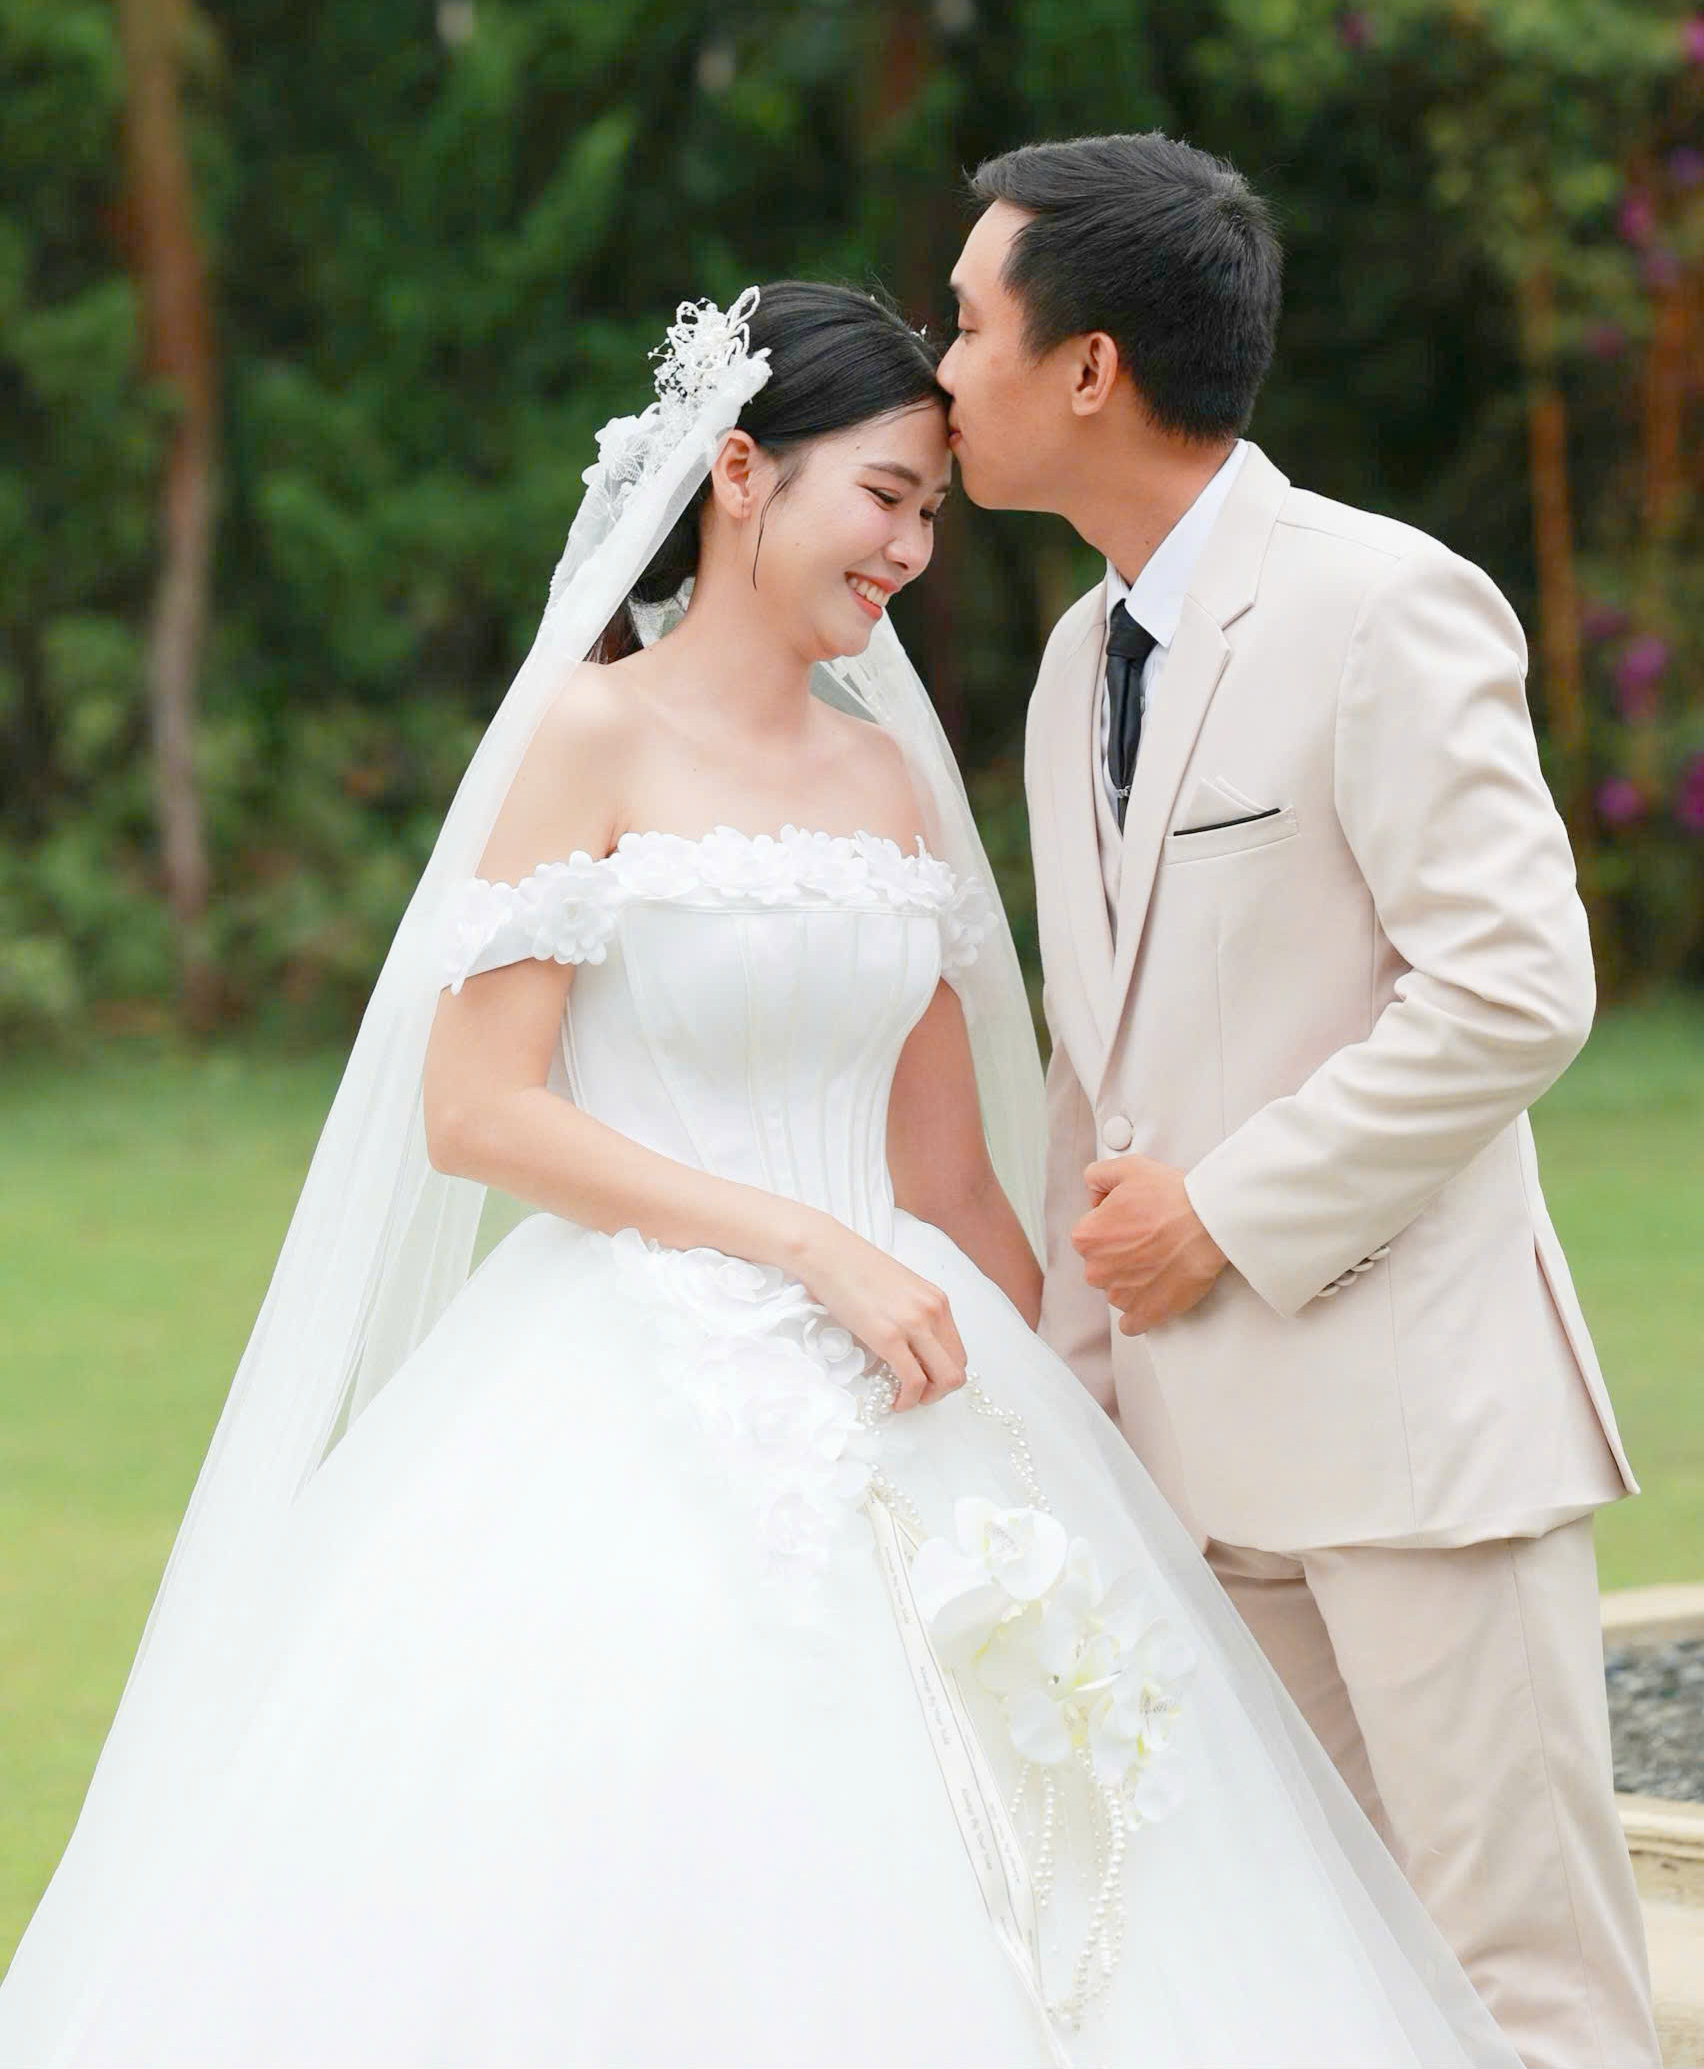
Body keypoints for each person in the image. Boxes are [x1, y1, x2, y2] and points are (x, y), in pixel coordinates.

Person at [0, 281, 1516, 2069]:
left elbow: (953, 1177)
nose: (910, 549)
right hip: (626, 1377)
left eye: (931, 511)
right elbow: (478, 1111)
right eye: (882, 496)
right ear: (738, 474)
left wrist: (1089, 1440)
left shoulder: (888, 782)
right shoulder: (588, 738)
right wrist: (804, 1241)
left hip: (918, 1365)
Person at [936, 134, 1661, 2069]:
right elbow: (1102, 1065)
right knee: (1301, 1990)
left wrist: (1228, 1215)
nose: (941, 370)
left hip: (1418, 1448)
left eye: (967, 324)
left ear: (1090, 366)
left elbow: (1515, 987)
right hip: (1190, 1467)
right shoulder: (1074, 658)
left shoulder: (1382, 602)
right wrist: (1072, 1409)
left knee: (1525, 1994)